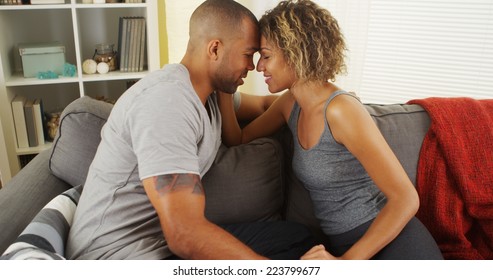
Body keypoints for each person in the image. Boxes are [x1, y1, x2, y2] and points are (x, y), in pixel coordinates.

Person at [66, 0, 315, 260]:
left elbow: (265, 104)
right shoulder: (167, 102)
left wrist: (323, 100)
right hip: (116, 256)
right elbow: (185, 235)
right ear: (215, 49)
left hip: (155, 241)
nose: (253, 66)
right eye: (247, 54)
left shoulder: (211, 94)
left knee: (295, 238)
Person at [218, 0, 443, 260]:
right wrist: (226, 83)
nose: (259, 67)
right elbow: (238, 138)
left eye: (266, 56)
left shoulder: (341, 111)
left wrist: (344, 265)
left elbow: (406, 199)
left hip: (393, 243)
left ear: (295, 52)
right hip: (347, 245)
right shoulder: (290, 104)